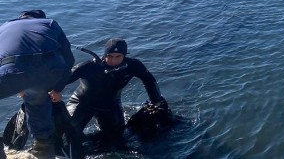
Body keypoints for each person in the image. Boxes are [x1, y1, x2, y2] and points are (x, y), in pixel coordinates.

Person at [58, 38, 166, 146]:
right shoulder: (88, 67)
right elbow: (60, 81)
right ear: (105, 55)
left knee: (116, 139)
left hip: (110, 105)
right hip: (81, 102)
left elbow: (148, 79)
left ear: (124, 55)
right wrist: (55, 92)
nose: (113, 61)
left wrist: (156, 100)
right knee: (69, 132)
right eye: (110, 56)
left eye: (118, 56)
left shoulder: (133, 66)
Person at [0, 10, 75, 158]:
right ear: (41, 19)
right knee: (37, 104)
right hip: (48, 72)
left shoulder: (4, 27)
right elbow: (69, 60)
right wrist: (57, 88)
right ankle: (43, 149)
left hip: (12, 69)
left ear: (20, 18)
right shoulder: (50, 24)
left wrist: (17, 83)